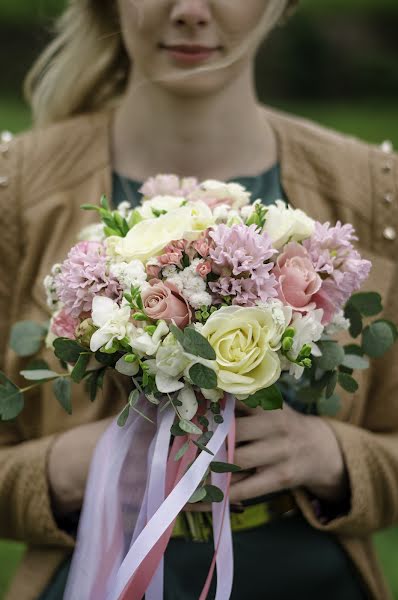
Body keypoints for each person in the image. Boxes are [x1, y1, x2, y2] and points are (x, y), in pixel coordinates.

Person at [0, 1, 397, 599]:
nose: (189, 10)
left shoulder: (375, 191)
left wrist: (334, 455)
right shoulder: (16, 190)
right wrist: (60, 471)